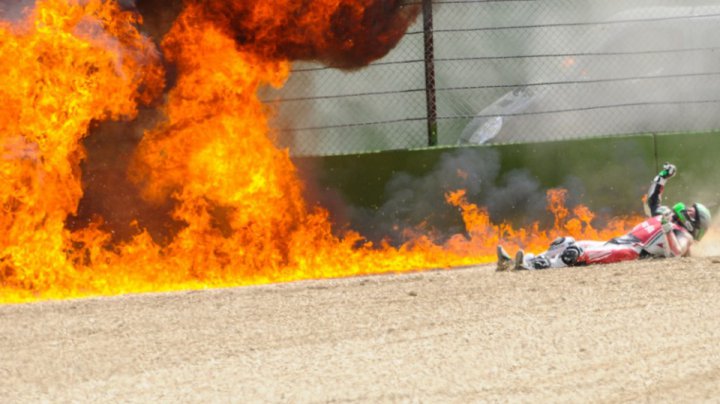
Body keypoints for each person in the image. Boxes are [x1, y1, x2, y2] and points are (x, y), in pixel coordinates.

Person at [497, 163, 712, 271]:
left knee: (574, 253)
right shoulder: (668, 218)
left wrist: (667, 229)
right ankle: (521, 261)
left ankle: (532, 267)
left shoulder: (683, 235)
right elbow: (653, 200)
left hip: (632, 251)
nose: (688, 210)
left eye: (693, 212)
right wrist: (662, 177)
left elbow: (675, 254)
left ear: (695, 223)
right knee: (565, 243)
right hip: (619, 240)